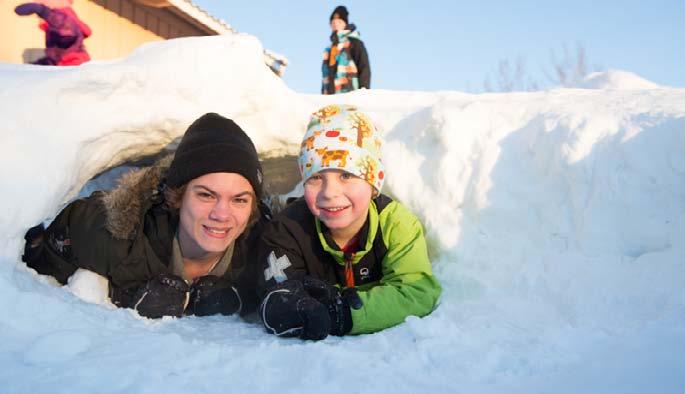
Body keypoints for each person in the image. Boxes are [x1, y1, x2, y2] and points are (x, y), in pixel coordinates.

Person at [22, 113, 270, 319]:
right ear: (177, 196)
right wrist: (125, 294)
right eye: (206, 195)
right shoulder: (116, 235)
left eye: (239, 199)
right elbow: (31, 276)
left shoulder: (265, 249)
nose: (221, 214)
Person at [258, 105, 441, 340]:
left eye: (346, 175)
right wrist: (291, 307)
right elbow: (276, 297)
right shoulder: (287, 230)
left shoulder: (396, 224)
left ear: (374, 183)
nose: (330, 193)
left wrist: (344, 312)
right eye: (316, 177)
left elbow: (417, 291)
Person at [14, 0, 91, 66]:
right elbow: (57, 53)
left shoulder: (65, 18)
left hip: (73, 66)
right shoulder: (56, 24)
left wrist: (44, 11)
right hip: (63, 65)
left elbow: (66, 31)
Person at [321, 6, 371, 95]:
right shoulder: (328, 49)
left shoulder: (354, 42)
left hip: (351, 96)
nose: (335, 24)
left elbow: (364, 68)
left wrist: (364, 92)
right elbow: (325, 76)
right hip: (330, 98)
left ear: (345, 23)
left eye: (339, 21)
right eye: (333, 22)